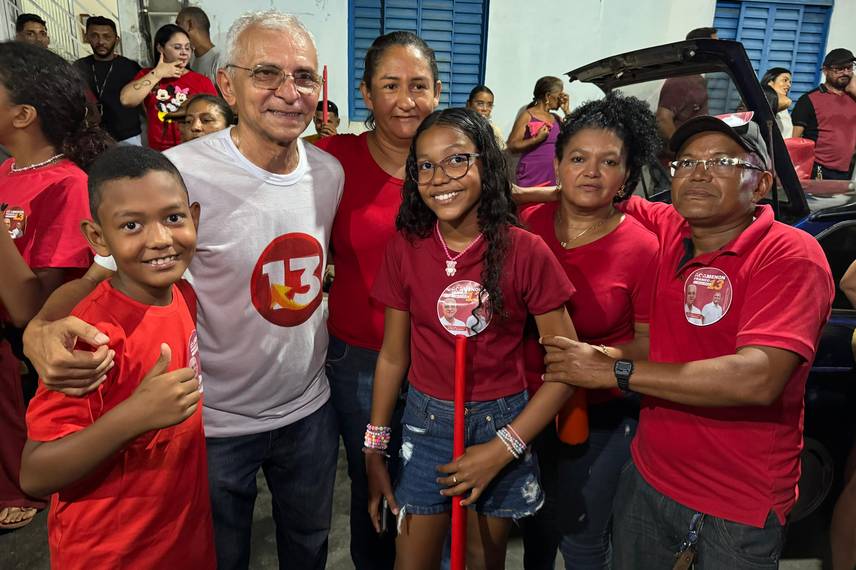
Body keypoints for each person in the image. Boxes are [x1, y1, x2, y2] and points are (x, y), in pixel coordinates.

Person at [22, 11, 344, 570]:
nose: (289, 93)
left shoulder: (328, 172)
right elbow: (97, 276)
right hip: (212, 423)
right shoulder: (176, 173)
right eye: (267, 73)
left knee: (310, 547)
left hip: (309, 412)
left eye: (305, 77)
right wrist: (39, 332)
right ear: (227, 84)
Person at [541, 112, 834, 568]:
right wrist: (514, 194)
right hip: (649, 477)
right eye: (686, 163)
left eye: (721, 162)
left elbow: (758, 378)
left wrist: (615, 369)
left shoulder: (790, 255)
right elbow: (590, 187)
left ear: (759, 184)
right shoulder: (673, 228)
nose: (699, 174)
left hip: (736, 503)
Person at [365, 107, 578, 570]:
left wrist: (504, 446)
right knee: (413, 559)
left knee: (484, 557)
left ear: (487, 163)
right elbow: (392, 356)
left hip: (503, 421)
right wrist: (374, 445)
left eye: (457, 159)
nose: (441, 177)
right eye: (425, 164)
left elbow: (568, 368)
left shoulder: (526, 250)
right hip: (425, 422)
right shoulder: (406, 245)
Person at [20, 145, 215, 568]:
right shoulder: (91, 336)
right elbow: (35, 472)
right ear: (97, 237)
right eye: (131, 225)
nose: (159, 238)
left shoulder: (182, 295)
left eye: (173, 218)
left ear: (194, 218)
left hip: (181, 536)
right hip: (112, 554)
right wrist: (134, 417)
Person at [313, 31, 441, 569]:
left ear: (437, 93)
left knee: (436, 484)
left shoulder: (457, 164)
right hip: (361, 361)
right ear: (366, 93)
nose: (406, 100)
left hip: (442, 358)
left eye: (418, 86)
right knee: (374, 479)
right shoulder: (330, 161)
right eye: (390, 85)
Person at [519, 92, 660, 570]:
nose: (591, 172)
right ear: (557, 163)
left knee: (580, 534)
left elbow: (648, 343)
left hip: (601, 415)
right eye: (578, 158)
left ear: (626, 175)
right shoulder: (527, 226)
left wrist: (591, 360)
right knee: (534, 527)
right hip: (524, 406)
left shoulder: (642, 247)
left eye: (609, 162)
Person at [0, 41, 111, 530]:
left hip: (21, 351)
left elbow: (32, 308)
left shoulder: (66, 186)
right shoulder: (7, 172)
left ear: (23, 114)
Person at [119, 24, 216, 151]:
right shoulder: (148, 75)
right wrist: (158, 73)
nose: (184, 53)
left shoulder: (201, 81)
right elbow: (126, 100)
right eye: (177, 47)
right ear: (160, 48)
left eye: (187, 48)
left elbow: (216, 117)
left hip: (193, 149)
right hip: (160, 153)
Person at [74, 16, 143, 145]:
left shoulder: (130, 66)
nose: (101, 41)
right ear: (87, 37)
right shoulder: (78, 66)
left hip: (128, 136)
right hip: (94, 136)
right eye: (95, 36)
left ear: (116, 40)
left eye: (107, 37)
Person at [792, 48, 856, 180]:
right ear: (825, 71)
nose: (845, 73)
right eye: (839, 69)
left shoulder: (853, 98)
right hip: (817, 170)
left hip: (846, 172)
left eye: (849, 68)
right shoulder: (808, 100)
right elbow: (795, 140)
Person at [655, 27, 717, 147]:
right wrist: (682, 149)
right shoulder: (681, 81)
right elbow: (662, 119)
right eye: (714, 46)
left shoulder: (699, 80)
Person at [507, 76, 570, 186]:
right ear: (548, 96)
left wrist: (567, 111)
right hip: (532, 175)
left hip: (553, 175)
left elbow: (575, 137)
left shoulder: (556, 118)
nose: (561, 100)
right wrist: (536, 139)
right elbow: (512, 145)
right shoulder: (527, 115)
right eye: (559, 95)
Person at [176, 6, 221, 87]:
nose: (176, 32)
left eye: (178, 25)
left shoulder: (219, 61)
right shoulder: (190, 58)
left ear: (190, 25)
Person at [466, 85, 504, 149]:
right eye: (480, 104)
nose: (485, 109)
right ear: (469, 104)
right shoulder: (460, 128)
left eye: (489, 105)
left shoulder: (494, 130)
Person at [761, 67, 793, 137]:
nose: (789, 85)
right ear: (770, 82)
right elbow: (788, 101)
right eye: (785, 80)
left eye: (790, 82)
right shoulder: (763, 102)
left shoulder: (784, 108)